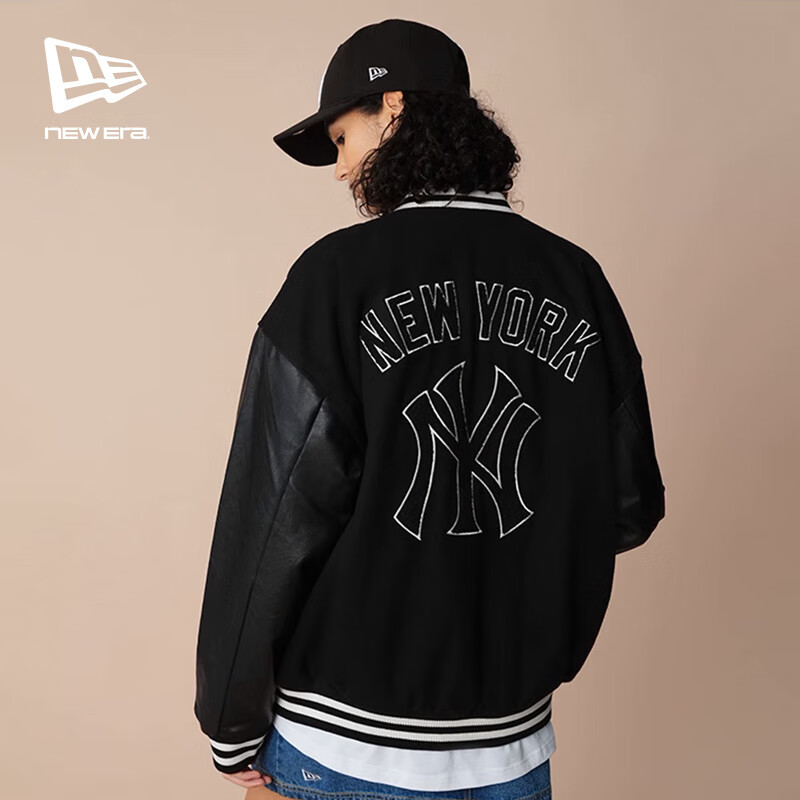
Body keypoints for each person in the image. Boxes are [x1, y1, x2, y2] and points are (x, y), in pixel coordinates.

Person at [193, 18, 666, 800]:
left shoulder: (333, 281)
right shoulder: (577, 279)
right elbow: (629, 506)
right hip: (511, 750)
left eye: (341, 139)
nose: (341, 170)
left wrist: (230, 723)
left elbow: (272, 521)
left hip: (342, 751)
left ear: (395, 106)